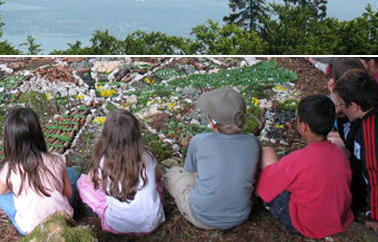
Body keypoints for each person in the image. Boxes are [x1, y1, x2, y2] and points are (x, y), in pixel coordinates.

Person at [256, 95, 353, 239]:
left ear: (303, 126)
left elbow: (263, 189)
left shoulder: (297, 160)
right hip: (338, 219)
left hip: (305, 224)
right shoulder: (340, 154)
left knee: (267, 152)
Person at [165, 88, 261, 230]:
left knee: (173, 174)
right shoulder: (253, 142)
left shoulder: (199, 141)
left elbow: (192, 173)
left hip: (202, 216)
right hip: (241, 215)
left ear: (212, 122)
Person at [0, 107, 77, 235]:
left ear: (9, 140)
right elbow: (68, 194)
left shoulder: (9, 168)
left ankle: (22, 214)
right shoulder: (57, 159)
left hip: (31, 228)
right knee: (72, 174)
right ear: (38, 134)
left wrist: (16, 186)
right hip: (63, 219)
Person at [76, 109, 165, 235]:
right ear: (136, 135)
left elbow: (92, 182)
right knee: (160, 181)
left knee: (82, 183)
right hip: (151, 222)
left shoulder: (103, 161)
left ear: (106, 137)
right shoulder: (148, 157)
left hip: (118, 225)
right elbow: (158, 177)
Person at [333, 70, 378, 234]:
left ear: (354, 106)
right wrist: (340, 116)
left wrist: (373, 214)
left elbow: (374, 173)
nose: (339, 108)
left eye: (341, 104)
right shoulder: (365, 117)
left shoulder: (371, 132)